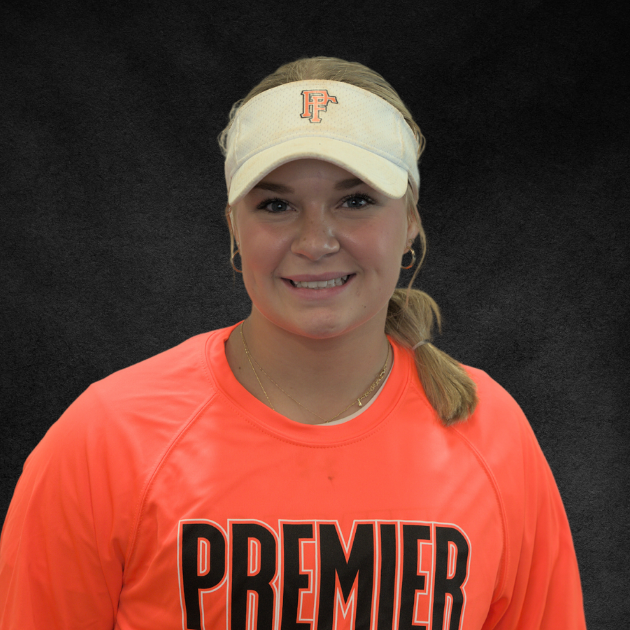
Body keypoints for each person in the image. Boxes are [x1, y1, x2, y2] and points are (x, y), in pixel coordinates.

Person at [0, 56, 586, 629]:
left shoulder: (492, 436)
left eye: (356, 201)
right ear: (234, 225)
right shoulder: (108, 438)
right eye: (276, 205)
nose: (315, 241)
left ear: (409, 220)